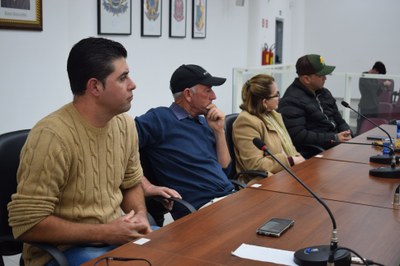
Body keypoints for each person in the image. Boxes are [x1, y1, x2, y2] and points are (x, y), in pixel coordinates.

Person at [7, 37, 158, 266]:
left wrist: (138, 215)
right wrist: (105, 233)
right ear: (95, 87)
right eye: (123, 78)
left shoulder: (125, 125)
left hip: (114, 237)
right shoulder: (51, 136)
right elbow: (27, 224)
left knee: (179, 250)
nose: (133, 84)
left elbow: (131, 183)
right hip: (62, 252)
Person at [135, 64, 235, 219]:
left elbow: (225, 170)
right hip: (203, 209)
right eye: (208, 90)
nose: (214, 96)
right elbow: (118, 147)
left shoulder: (204, 122)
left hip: (230, 198)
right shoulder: (159, 119)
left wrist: (219, 131)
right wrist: (147, 187)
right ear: (188, 94)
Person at [232, 74, 305, 184]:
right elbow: (255, 165)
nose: (279, 98)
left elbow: (288, 147)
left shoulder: (273, 115)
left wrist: (299, 159)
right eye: (276, 94)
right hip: (266, 181)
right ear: (264, 102)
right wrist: (290, 160)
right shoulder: (246, 122)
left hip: (286, 174)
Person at [278, 54, 352, 158]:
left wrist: (348, 133)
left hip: (335, 148)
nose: (325, 78)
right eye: (321, 75)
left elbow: (339, 120)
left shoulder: (324, 93)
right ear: (306, 79)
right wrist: (334, 138)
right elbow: (299, 136)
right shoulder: (291, 100)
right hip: (316, 154)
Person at [357, 61, 393, 134]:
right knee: (362, 127)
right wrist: (383, 83)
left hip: (374, 107)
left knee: (373, 127)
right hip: (365, 107)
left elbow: (376, 93)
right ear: (375, 70)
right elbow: (371, 88)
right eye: (379, 74)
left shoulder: (375, 78)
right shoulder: (364, 76)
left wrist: (384, 87)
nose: (379, 76)